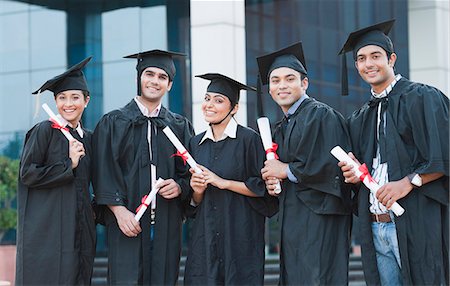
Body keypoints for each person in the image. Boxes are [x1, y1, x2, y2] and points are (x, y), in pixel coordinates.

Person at [337, 19, 449, 285]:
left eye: (376, 56)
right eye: (362, 58)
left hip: (415, 223)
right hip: (375, 226)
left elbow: (444, 153)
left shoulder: (423, 98)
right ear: (356, 66)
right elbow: (361, 170)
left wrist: (409, 182)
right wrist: (352, 173)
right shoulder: (360, 116)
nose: (369, 64)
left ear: (392, 59)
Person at [92, 49, 195, 285]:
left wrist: (180, 187)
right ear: (139, 77)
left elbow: (190, 172)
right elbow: (103, 171)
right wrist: (119, 212)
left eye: (162, 77)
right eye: (150, 74)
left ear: (169, 85)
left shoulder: (179, 125)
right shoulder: (113, 122)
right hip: (127, 221)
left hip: (166, 224)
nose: (155, 81)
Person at [257, 42, 352, 285]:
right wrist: (273, 180)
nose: (282, 86)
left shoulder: (322, 115)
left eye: (289, 79)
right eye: (275, 81)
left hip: (320, 217)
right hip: (294, 220)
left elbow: (333, 168)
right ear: (269, 90)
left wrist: (286, 170)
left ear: (304, 83)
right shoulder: (283, 125)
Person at [183, 73, 278, 285]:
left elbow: (263, 189)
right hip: (205, 239)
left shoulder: (250, 140)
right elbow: (193, 204)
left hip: (241, 237)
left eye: (219, 100)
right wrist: (197, 190)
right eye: (207, 98)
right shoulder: (195, 144)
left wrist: (222, 182)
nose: (210, 105)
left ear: (234, 108)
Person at [16, 57, 96, 285]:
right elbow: (27, 173)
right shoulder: (44, 131)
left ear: (86, 101)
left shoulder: (88, 138)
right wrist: (67, 164)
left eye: (75, 97)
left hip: (80, 229)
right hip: (49, 232)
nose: (68, 104)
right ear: (55, 101)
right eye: (62, 98)